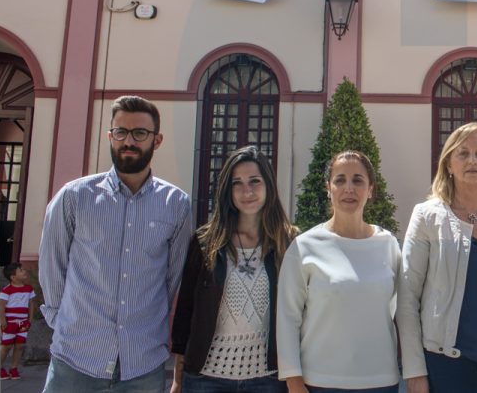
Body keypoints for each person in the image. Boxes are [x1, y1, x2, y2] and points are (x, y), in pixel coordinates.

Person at [39, 95, 193, 392]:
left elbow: (172, 278)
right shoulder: (74, 198)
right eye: (121, 132)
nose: (129, 141)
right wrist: (64, 324)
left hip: (142, 364)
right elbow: (51, 268)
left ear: (157, 140)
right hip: (75, 360)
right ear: (110, 136)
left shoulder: (176, 205)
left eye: (140, 133)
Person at [397, 123, 477, 393]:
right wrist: (415, 371)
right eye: (463, 153)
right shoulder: (427, 216)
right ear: (449, 165)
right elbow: (407, 298)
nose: (472, 160)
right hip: (446, 362)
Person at [170, 146, 296, 392]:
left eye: (255, 181)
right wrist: (177, 378)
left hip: (268, 379)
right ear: (228, 191)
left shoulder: (288, 242)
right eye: (237, 183)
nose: (247, 191)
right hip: (206, 378)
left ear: (269, 185)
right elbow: (186, 309)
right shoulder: (205, 241)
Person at [278, 150, 401, 392]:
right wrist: (294, 380)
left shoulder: (388, 244)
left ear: (371, 189)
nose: (349, 188)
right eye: (340, 180)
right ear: (328, 188)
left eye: (357, 180)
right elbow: (287, 318)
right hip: (319, 382)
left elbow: (401, 312)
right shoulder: (305, 246)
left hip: (381, 381)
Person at [0, 262, 36, 380]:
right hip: (9, 323)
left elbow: (31, 304)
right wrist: (2, 320)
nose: (24, 271)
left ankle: (13, 368)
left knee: (19, 345)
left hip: (23, 323)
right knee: (6, 346)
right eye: (21, 270)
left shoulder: (28, 289)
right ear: (13, 277)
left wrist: (29, 319)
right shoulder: (6, 290)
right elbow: (1, 306)